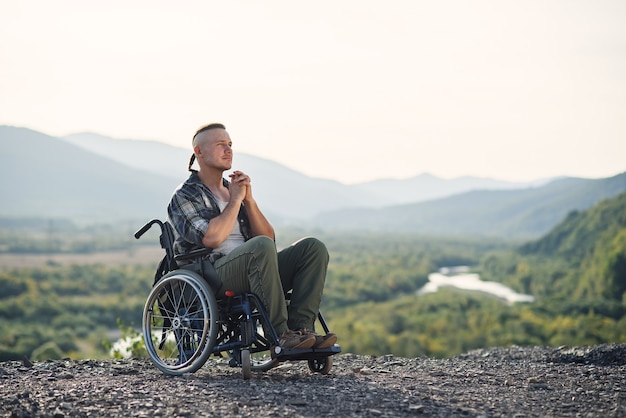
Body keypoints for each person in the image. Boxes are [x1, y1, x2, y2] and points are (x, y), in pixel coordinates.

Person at [167, 123, 337, 350]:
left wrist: (249, 201)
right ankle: (281, 336)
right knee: (260, 247)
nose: (228, 150)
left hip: (255, 266)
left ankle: (301, 330)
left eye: (229, 145)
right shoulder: (184, 195)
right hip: (212, 274)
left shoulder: (234, 190)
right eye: (220, 145)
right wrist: (235, 201)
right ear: (199, 152)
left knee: (312, 248)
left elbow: (268, 239)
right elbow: (212, 238)